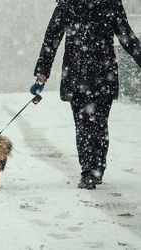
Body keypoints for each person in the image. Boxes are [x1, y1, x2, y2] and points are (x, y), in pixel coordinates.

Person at [34, 0, 141, 189]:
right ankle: (90, 170)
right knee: (90, 124)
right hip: (91, 75)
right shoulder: (72, 4)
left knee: (94, 123)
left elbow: (127, 37)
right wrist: (43, 72)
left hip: (87, 74)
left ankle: (95, 169)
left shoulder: (105, 4)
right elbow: (51, 38)